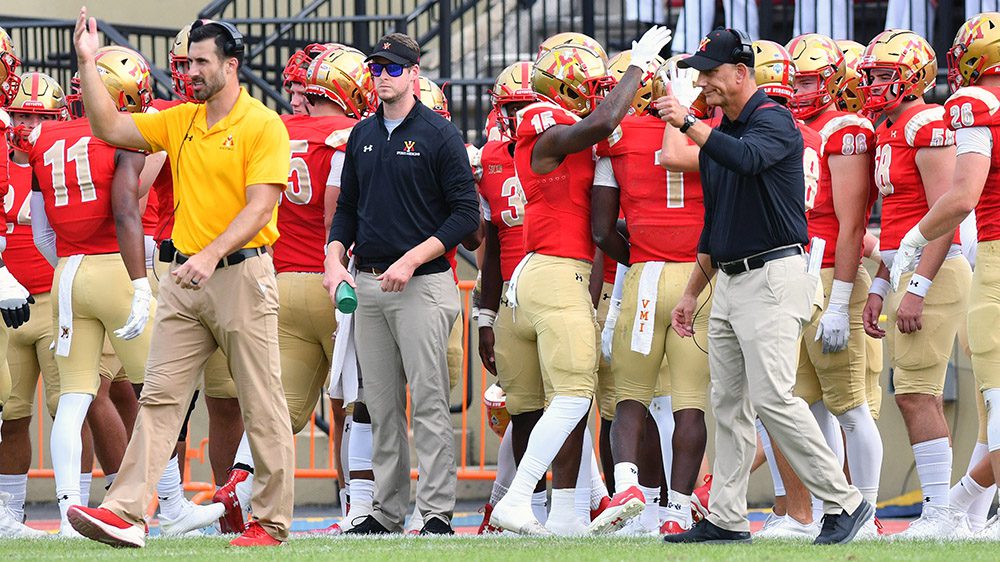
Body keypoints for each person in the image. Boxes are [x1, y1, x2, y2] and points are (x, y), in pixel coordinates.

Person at [66, 12, 293, 548]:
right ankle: (124, 512)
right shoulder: (180, 118)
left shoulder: (264, 124)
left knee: (262, 402)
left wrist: (211, 254)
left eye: (202, 62)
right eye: (188, 61)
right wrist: (86, 62)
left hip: (240, 275)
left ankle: (273, 522)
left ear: (231, 65)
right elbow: (109, 127)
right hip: (186, 278)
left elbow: (262, 209)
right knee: (160, 398)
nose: (190, 70)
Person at [657, 27, 874, 545]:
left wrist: (687, 122)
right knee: (727, 402)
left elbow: (747, 158)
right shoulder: (720, 130)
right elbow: (715, 224)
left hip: (775, 275)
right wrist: (691, 291)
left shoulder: (775, 120)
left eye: (711, 72)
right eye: (699, 73)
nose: (702, 82)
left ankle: (846, 502)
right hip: (731, 278)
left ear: (741, 73)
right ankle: (728, 517)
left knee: (775, 397)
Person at [484, 26, 672, 536]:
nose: (596, 91)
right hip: (557, 273)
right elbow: (606, 119)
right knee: (573, 396)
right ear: (564, 87)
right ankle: (519, 498)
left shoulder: (563, 136)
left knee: (565, 404)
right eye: (587, 83)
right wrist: (638, 67)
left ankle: (570, 511)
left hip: (536, 278)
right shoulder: (545, 126)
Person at [324, 32, 479, 535]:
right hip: (368, 284)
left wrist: (412, 260)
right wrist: (332, 258)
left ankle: (435, 513)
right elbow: (347, 208)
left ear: (415, 74)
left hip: (422, 285)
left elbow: (465, 216)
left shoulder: (439, 134)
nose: (382, 77)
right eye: (376, 69)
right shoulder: (361, 135)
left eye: (393, 69)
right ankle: (387, 513)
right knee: (382, 406)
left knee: (430, 402)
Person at [857, 28, 974, 540]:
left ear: (913, 78)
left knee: (917, 394)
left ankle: (942, 512)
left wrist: (919, 286)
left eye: (885, 75)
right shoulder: (890, 127)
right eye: (873, 75)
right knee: (911, 393)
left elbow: (945, 217)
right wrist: (882, 285)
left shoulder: (928, 122)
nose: (875, 84)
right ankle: (946, 510)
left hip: (938, 268)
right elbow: (900, 221)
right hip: (909, 267)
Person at [889, 12, 1000, 538]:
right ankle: (965, 505)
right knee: (990, 405)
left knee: (996, 400)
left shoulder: (975, 104)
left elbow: (961, 197)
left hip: (996, 259)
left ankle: (956, 508)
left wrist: (914, 240)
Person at [592, 52, 711, 537]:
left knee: (630, 396)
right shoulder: (711, 129)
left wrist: (641, 252)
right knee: (689, 401)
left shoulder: (616, 138)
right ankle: (679, 508)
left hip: (644, 276)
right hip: (698, 278)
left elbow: (601, 231)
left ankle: (627, 487)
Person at [774, 32, 883, 539]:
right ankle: (827, 510)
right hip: (797, 274)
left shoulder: (847, 129)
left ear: (836, 81)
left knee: (850, 406)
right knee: (807, 401)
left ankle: (867, 513)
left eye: (810, 80)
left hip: (827, 275)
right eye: (794, 80)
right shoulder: (795, 127)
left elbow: (850, 225)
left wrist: (840, 301)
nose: (798, 89)